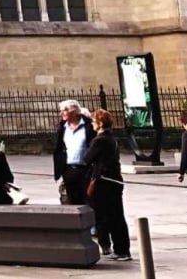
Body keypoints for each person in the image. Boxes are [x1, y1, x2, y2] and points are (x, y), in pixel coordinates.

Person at [83, 109, 130, 261]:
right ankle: (122, 249)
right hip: (114, 180)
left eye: (93, 121)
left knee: (109, 216)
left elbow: (87, 157)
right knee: (117, 215)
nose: (91, 124)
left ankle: (120, 249)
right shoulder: (111, 138)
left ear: (100, 123)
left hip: (104, 181)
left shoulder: (100, 139)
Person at [52, 99, 95, 205]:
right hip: (69, 170)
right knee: (72, 202)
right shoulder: (63, 127)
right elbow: (59, 147)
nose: (61, 113)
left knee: (89, 201)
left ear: (74, 111)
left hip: (86, 170)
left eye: (64, 110)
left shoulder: (89, 125)